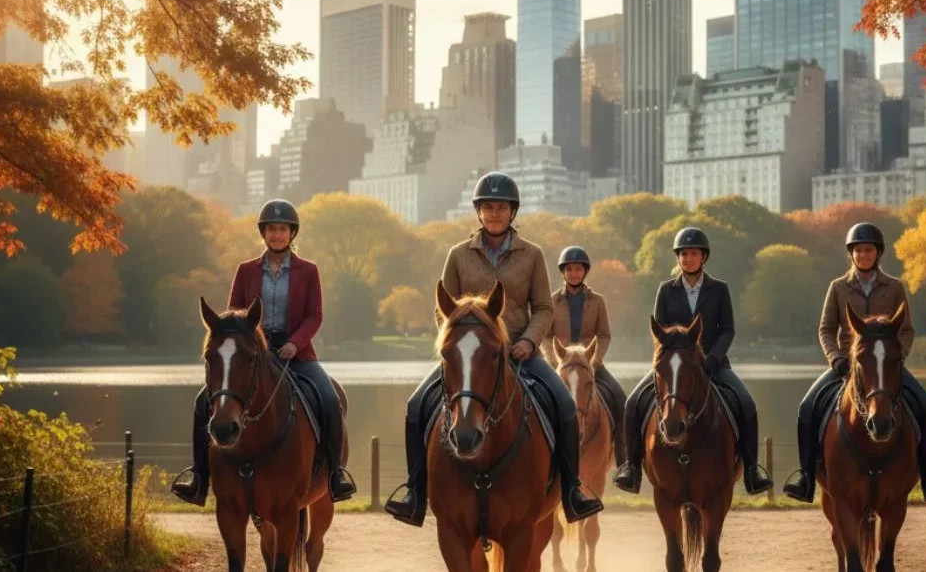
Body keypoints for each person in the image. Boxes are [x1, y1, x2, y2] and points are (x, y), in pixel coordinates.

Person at [384, 172, 604, 527]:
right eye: (488, 207)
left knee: (564, 404)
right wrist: (455, 347)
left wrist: (528, 342)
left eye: (502, 207)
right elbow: (444, 308)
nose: (495, 213)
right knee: (415, 407)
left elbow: (545, 309)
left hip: (519, 350)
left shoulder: (532, 254)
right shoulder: (457, 255)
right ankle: (415, 492)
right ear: (478, 212)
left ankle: (572, 492)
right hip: (470, 355)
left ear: (512, 211)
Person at [171, 198, 356, 506]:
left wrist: (295, 343)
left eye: (283, 229)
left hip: (294, 353)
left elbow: (315, 315)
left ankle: (335, 474)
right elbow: (232, 314)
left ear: (292, 233)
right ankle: (199, 477)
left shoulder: (309, 271)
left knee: (329, 398)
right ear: (263, 233)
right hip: (250, 353)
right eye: (271, 229)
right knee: (202, 401)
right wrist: (248, 342)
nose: (277, 235)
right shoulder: (245, 270)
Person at [781, 222, 926, 503]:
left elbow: (906, 330)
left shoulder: (895, 287)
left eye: (868, 250)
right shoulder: (838, 287)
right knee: (807, 407)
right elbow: (825, 329)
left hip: (887, 367)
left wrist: (896, 359)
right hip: (847, 366)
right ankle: (805, 477)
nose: (863, 255)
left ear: (878, 253)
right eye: (858, 250)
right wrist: (836, 357)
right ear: (851, 254)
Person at [612, 227, 773, 496]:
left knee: (746, 403)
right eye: (683, 254)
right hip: (672, 366)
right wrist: (663, 361)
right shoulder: (665, 290)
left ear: (704, 257)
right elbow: (659, 333)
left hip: (711, 364)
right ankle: (631, 468)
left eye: (693, 253)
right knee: (632, 403)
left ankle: (752, 470)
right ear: (678, 258)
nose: (688, 258)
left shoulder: (719, 289)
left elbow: (728, 330)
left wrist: (713, 358)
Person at [544, 245, 629, 471]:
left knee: (621, 399)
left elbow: (604, 334)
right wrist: (556, 362)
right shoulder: (551, 301)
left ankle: (624, 464)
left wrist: (594, 361)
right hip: (561, 366)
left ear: (585, 272)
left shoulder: (598, 301)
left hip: (590, 364)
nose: (574, 273)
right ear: (563, 272)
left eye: (578, 269)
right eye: (569, 269)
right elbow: (545, 337)